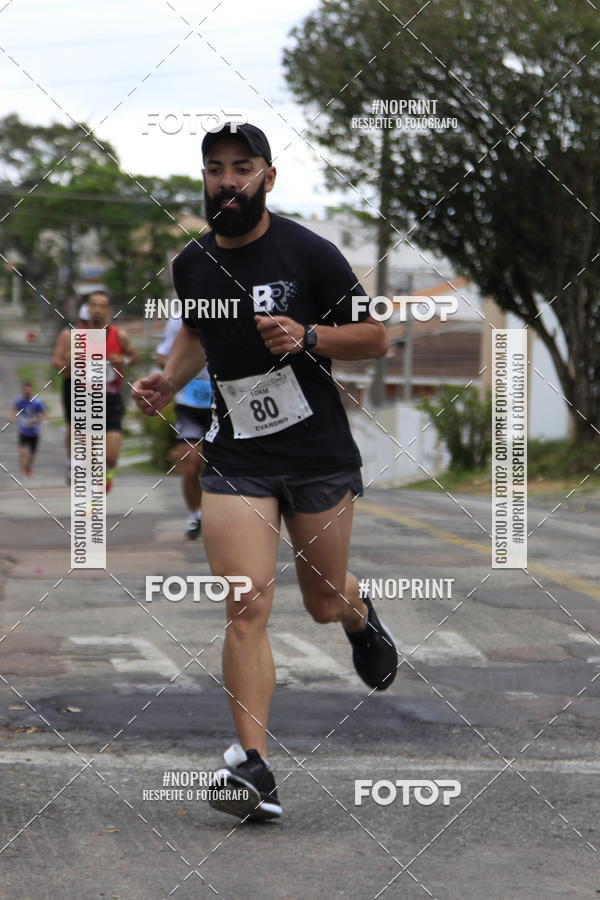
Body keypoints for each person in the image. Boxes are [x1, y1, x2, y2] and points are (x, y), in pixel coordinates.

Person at [132, 122, 398, 823]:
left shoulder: (309, 252)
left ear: (267, 179)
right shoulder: (191, 262)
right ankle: (255, 768)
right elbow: (196, 329)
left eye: (241, 168)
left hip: (318, 456)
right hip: (237, 455)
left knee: (321, 602)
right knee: (246, 604)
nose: (227, 181)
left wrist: (309, 336)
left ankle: (360, 617)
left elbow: (375, 337)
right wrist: (168, 376)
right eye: (215, 169)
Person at [53, 290, 138, 492]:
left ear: (109, 310)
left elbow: (134, 357)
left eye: (102, 306)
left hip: (111, 398)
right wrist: (73, 362)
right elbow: (57, 364)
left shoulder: (120, 336)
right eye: (93, 305)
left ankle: (105, 474)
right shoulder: (71, 336)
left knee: (111, 456)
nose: (98, 310)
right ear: (87, 309)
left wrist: (123, 360)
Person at [156, 315, 213, 539]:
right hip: (189, 401)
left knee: (223, 468)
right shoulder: (178, 320)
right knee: (190, 465)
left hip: (223, 398)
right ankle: (195, 515)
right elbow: (162, 357)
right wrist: (182, 367)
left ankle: (221, 516)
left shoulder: (234, 308)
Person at [51, 301, 91, 484]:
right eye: (83, 321)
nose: (85, 325)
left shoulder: (100, 336)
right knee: (74, 426)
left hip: (95, 386)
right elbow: (56, 361)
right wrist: (68, 364)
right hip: (72, 384)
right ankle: (72, 463)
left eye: (88, 322)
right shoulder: (67, 335)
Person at [9, 382, 46, 477]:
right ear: (23, 390)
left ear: (31, 390)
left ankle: (28, 466)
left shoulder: (37, 402)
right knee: (22, 451)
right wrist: (11, 417)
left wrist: (37, 419)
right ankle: (23, 470)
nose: (27, 392)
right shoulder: (19, 401)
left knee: (32, 455)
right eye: (25, 390)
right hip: (23, 431)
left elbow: (44, 414)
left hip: (34, 432)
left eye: (29, 390)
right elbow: (14, 409)